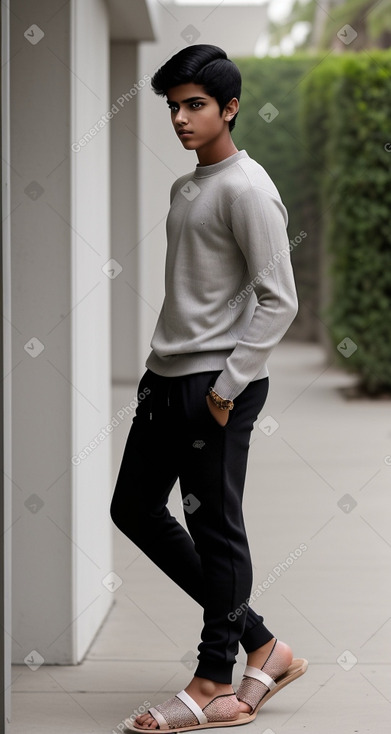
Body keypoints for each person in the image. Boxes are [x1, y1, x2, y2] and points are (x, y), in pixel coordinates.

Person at [110, 44, 307, 732]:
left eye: (195, 105)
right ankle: (265, 645)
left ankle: (213, 681)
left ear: (229, 108)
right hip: (166, 375)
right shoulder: (188, 186)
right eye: (172, 106)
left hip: (214, 384)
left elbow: (276, 298)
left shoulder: (249, 189)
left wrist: (226, 386)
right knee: (133, 508)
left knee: (214, 530)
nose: (181, 119)